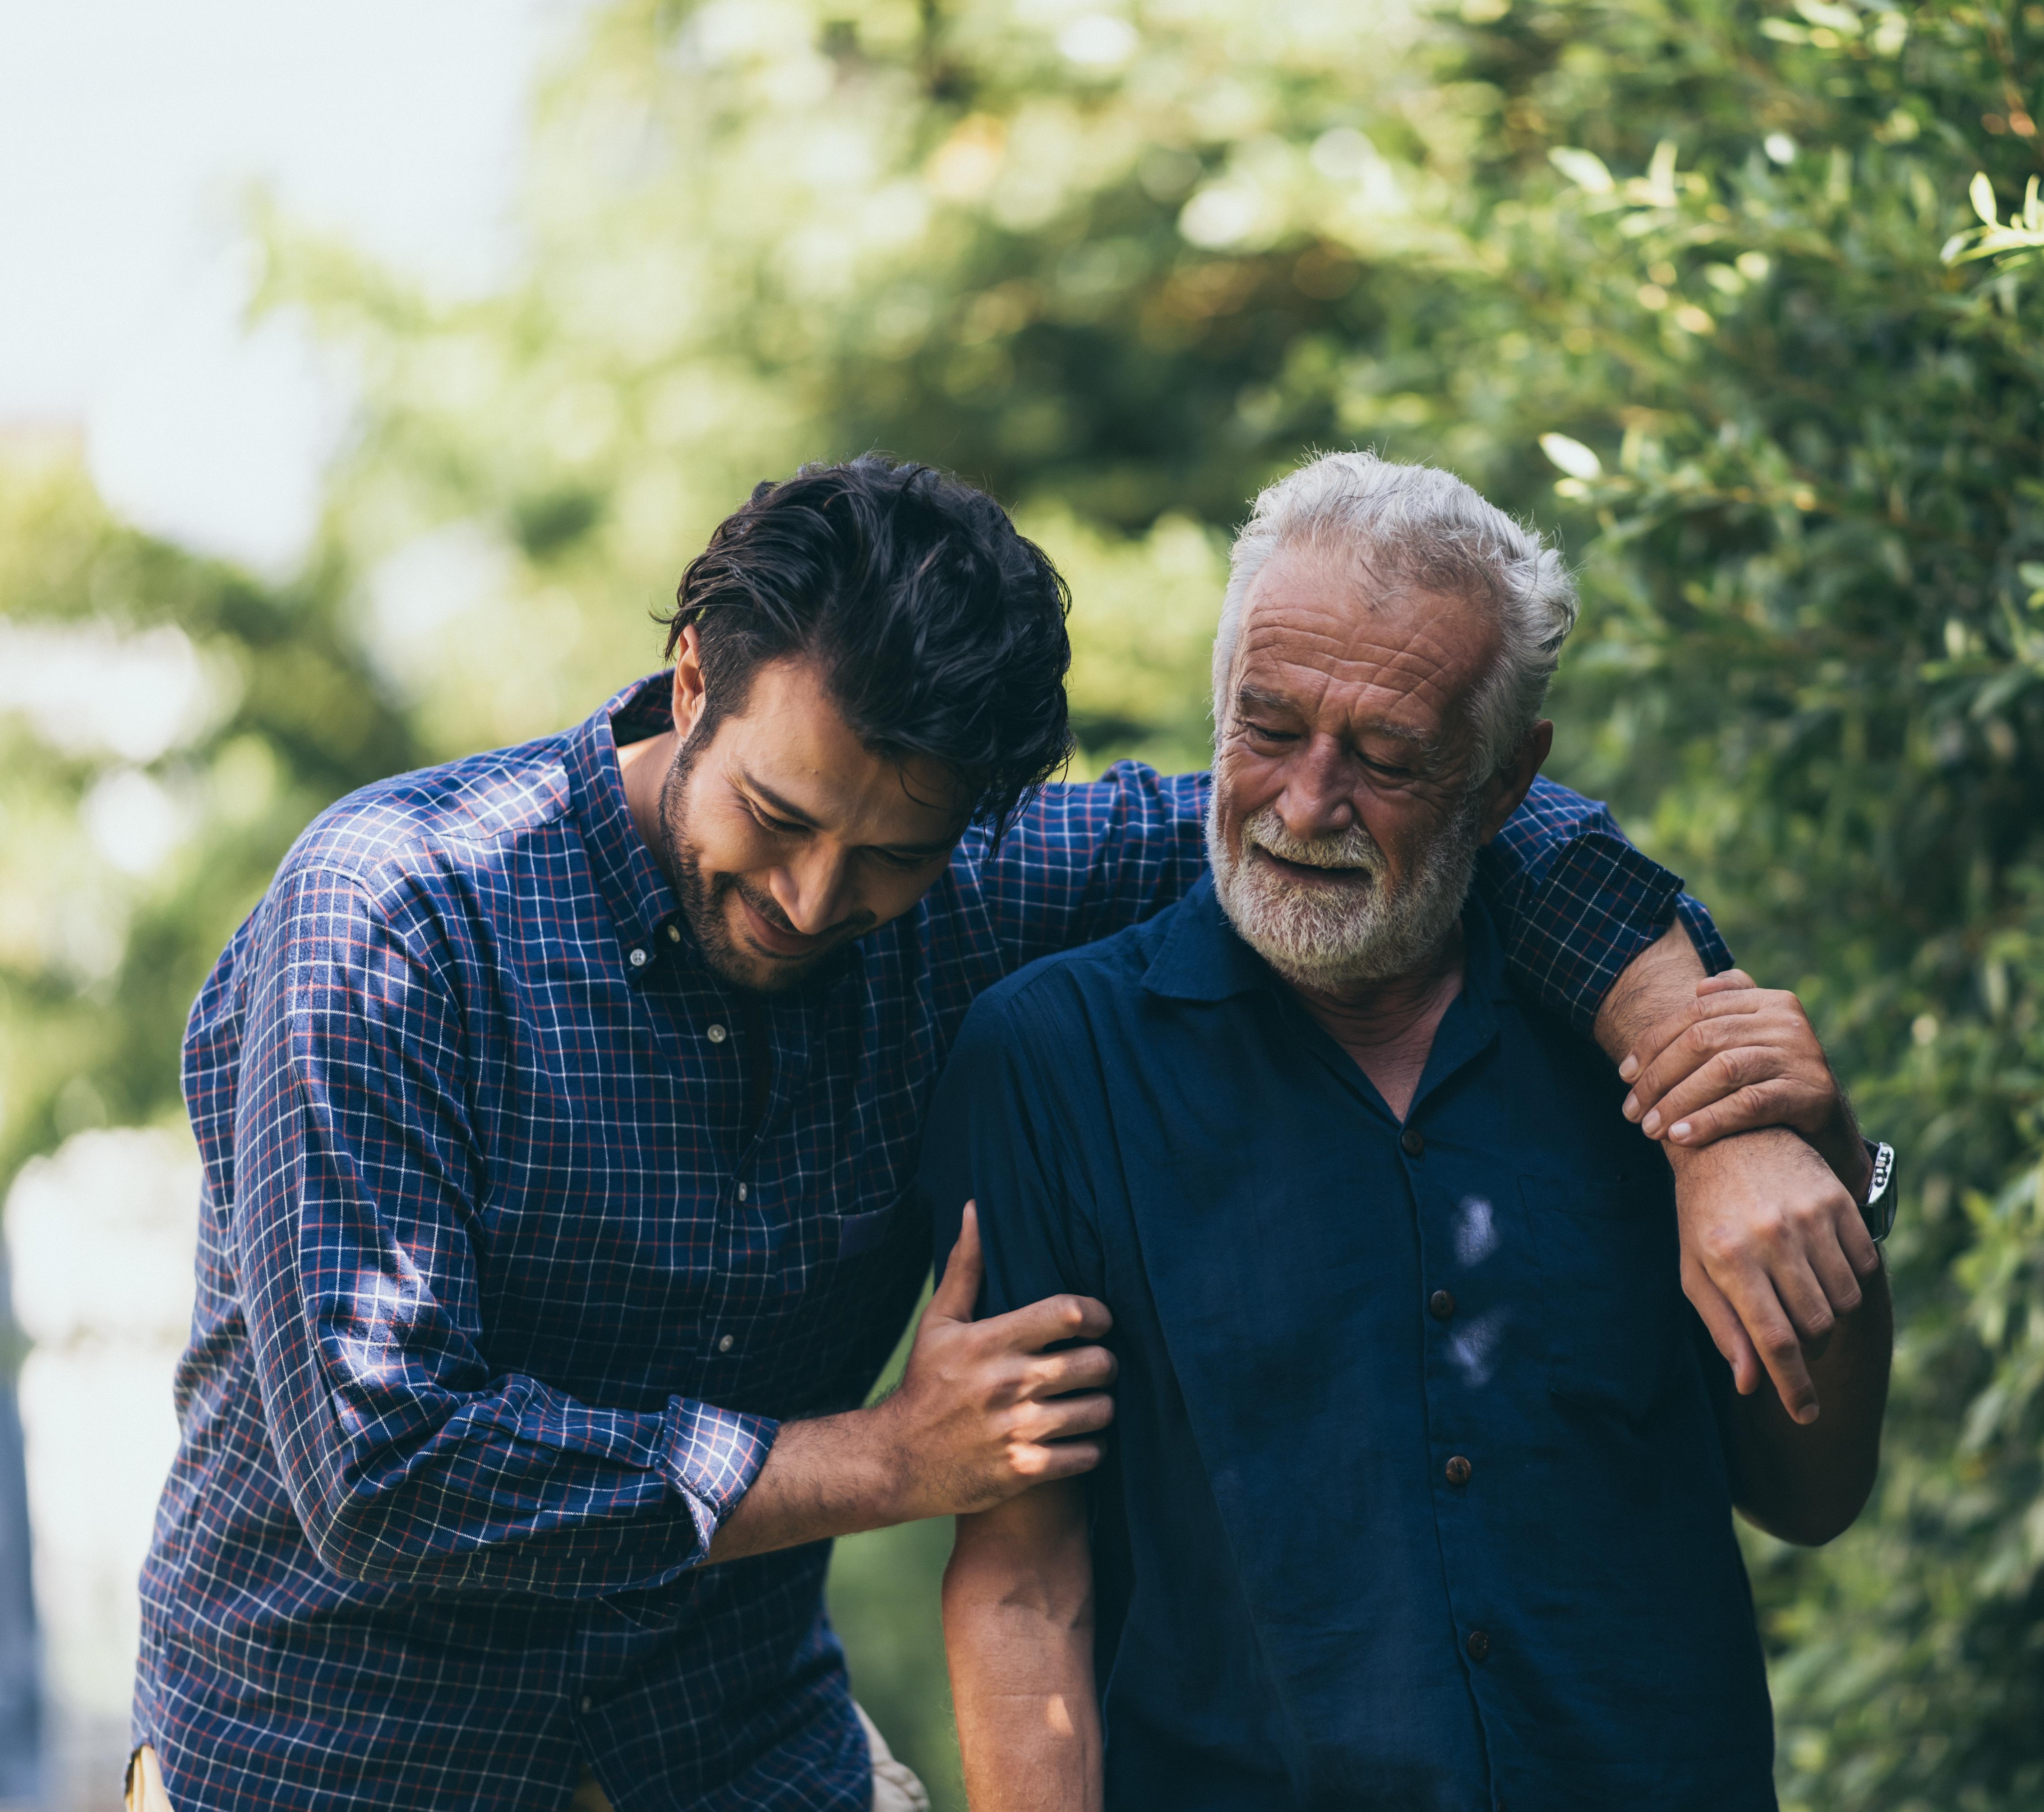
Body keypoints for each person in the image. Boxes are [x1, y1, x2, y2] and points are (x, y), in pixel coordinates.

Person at [129, 457, 1873, 1811]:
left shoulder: (976, 886)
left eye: (890, 856)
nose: (816, 899)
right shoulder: (392, 923)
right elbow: (383, 1467)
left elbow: (1471, 821)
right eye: (778, 816)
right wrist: (890, 1460)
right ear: (689, 683)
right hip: (336, 1758)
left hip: (729, 1759)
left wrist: (1705, 1089)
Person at [928, 452, 1897, 1811]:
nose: (1306, 805)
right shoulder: (1052, 1060)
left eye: (1386, 760)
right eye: (1265, 730)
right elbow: (1031, 1579)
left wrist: (1825, 1170)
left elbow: (1811, 1494)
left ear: (1507, 785)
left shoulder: (1657, 1043)